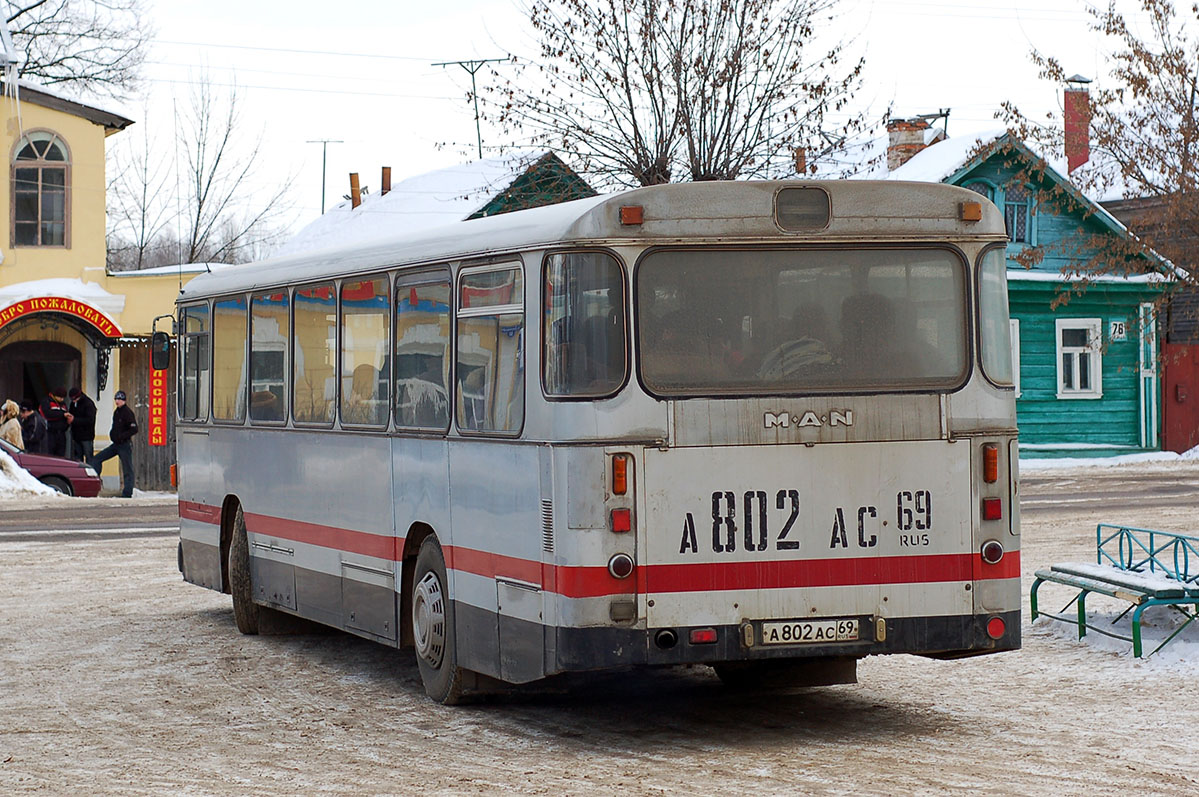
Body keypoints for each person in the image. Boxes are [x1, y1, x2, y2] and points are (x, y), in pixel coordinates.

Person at [89, 390, 138, 498]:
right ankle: (96, 483)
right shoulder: (117, 412)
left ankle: (127, 492)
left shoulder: (127, 412)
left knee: (127, 469)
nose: (117, 401)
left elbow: (134, 429)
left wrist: (122, 436)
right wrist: (112, 434)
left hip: (124, 445)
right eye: (116, 399)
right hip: (116, 444)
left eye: (119, 399)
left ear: (124, 400)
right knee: (97, 458)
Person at [68, 387, 97, 461]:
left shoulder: (88, 404)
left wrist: (74, 420)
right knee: (78, 458)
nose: (73, 401)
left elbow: (90, 420)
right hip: (76, 435)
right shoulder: (73, 404)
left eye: (74, 399)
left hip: (86, 436)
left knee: (89, 457)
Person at [40, 387, 70, 457]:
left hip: (61, 433)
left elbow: (65, 415)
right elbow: (48, 414)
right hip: (50, 432)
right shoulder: (47, 402)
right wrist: (62, 414)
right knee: (50, 454)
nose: (62, 399)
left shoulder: (63, 404)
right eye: (60, 397)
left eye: (63, 398)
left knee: (61, 455)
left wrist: (67, 423)